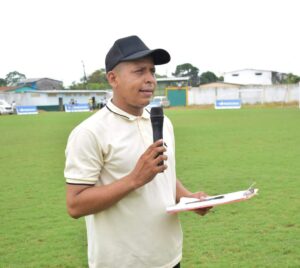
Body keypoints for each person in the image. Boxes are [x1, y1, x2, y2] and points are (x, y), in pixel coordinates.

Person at [64, 35, 211, 268]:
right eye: (139, 71)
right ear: (113, 78)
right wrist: (134, 179)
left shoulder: (162, 122)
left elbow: (164, 176)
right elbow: (75, 204)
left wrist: (188, 199)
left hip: (168, 257)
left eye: (152, 71)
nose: (150, 79)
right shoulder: (90, 132)